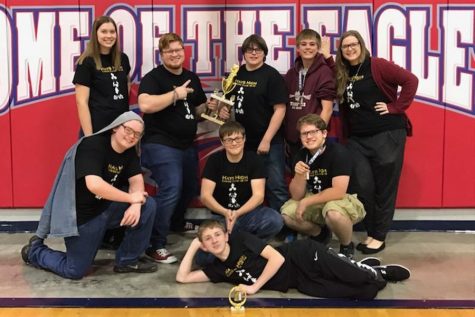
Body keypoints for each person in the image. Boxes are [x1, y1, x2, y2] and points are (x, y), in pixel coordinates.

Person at [20, 112, 157, 279]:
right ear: (115, 127)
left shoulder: (129, 152)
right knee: (74, 271)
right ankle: (35, 251)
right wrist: (131, 198)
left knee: (147, 205)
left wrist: (136, 205)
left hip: (107, 208)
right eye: (128, 130)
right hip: (83, 218)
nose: (131, 137)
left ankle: (127, 261)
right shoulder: (92, 145)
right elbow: (94, 185)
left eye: (137, 134)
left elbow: (136, 181)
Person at [176, 220, 411, 300]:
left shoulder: (240, 239)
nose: (214, 240)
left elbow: (276, 258)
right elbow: (183, 278)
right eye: (208, 239)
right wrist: (194, 246)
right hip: (297, 281)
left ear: (226, 235)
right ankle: (361, 269)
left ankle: (377, 271)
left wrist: (254, 287)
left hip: (302, 255)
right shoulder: (217, 269)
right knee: (365, 293)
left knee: (366, 278)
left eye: (217, 234)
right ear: (205, 245)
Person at [335, 30, 418, 254]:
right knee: (362, 186)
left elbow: (410, 80)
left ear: (362, 46)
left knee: (385, 188)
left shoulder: (377, 65)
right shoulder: (343, 72)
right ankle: (372, 231)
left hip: (387, 135)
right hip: (357, 139)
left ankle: (378, 236)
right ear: (341, 52)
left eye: (354, 44)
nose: (350, 49)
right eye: (345, 46)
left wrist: (396, 108)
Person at [138, 32, 216, 264]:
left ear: (184, 51)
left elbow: (199, 110)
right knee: (171, 187)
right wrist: (175, 94)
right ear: (161, 54)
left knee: (190, 186)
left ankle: (175, 222)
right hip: (160, 142)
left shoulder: (191, 77)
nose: (174, 54)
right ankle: (155, 244)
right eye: (169, 51)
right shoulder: (154, 77)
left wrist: (211, 107)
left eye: (178, 50)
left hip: (185, 144)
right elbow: (145, 104)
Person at [280, 114, 365, 258]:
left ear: (324, 133)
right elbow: (296, 196)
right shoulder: (301, 155)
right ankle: (320, 234)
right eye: (304, 133)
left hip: (341, 200)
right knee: (287, 214)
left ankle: (346, 245)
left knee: (333, 213)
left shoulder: (339, 153)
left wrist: (306, 201)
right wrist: (299, 176)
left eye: (313, 132)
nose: (309, 137)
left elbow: (338, 191)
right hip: (316, 197)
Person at [220, 34, 289, 212]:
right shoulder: (236, 74)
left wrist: (266, 140)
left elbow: (280, 110)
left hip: (269, 142)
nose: (253, 53)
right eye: (249, 49)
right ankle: (251, 226)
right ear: (243, 53)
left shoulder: (271, 76)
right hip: (242, 143)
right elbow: (227, 104)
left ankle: (285, 227)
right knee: (246, 186)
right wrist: (223, 112)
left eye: (258, 49)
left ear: (264, 53)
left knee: (276, 186)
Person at [200, 121, 283, 241]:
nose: (234, 143)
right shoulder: (214, 160)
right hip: (221, 216)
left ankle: (252, 246)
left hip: (248, 214)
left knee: (275, 220)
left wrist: (237, 213)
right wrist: (226, 212)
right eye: (229, 140)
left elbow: (258, 196)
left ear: (244, 139)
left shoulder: (254, 160)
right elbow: (205, 196)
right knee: (206, 253)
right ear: (222, 142)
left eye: (238, 138)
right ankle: (240, 244)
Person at [73, 16, 131, 136]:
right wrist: (89, 137)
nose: (109, 36)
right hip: (97, 129)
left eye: (112, 32)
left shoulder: (123, 58)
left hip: (121, 127)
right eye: (104, 31)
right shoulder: (86, 62)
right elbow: (81, 102)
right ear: (95, 34)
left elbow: (127, 86)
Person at [284, 29, 336, 160]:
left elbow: (327, 110)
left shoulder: (324, 72)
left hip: (312, 140)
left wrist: (314, 136)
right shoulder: (291, 74)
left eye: (312, 44)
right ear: (298, 48)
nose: (308, 47)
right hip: (293, 139)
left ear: (318, 48)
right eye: (304, 44)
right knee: (297, 178)